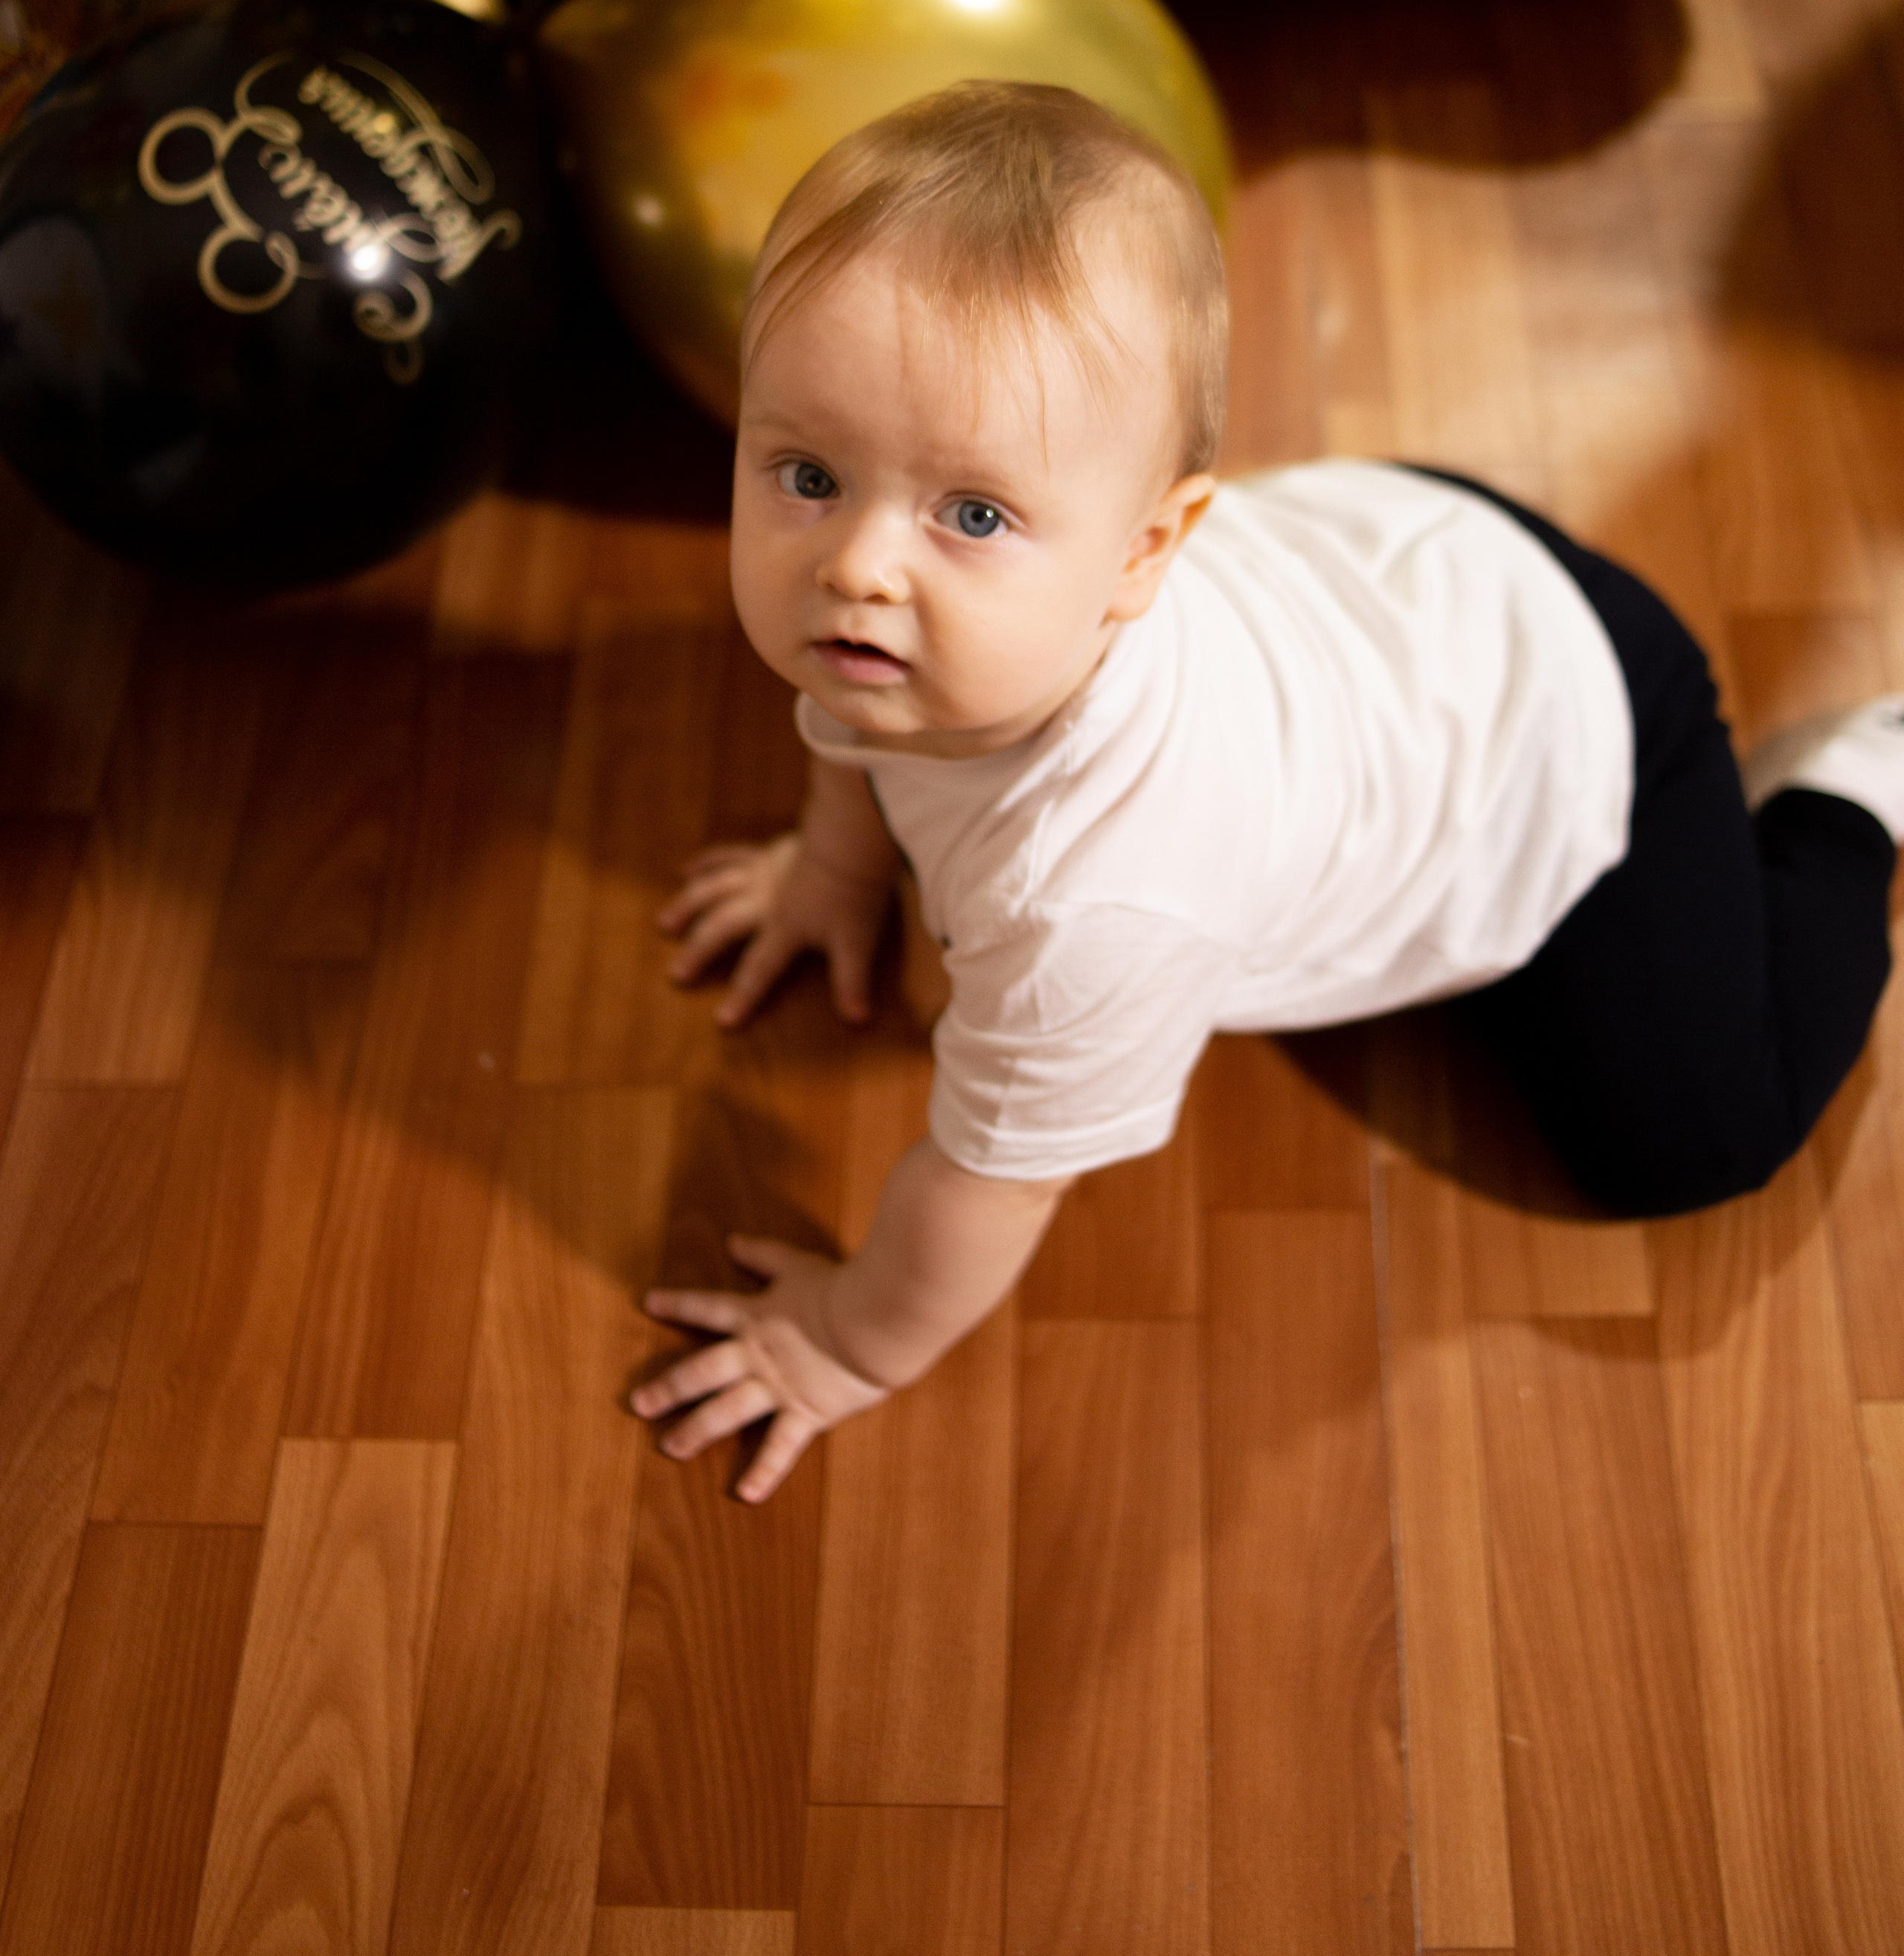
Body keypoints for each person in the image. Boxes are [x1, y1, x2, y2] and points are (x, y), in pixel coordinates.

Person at [633, 80, 1903, 1502]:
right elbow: (851, 735)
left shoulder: (1092, 906)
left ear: (1146, 549)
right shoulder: (903, 633)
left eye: (973, 513)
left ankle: (1849, 793)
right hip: (1411, 556)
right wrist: (836, 873)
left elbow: (990, 1176)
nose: (856, 564)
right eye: (806, 471)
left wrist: (850, 1345)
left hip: (1575, 733)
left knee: (1693, 1140)